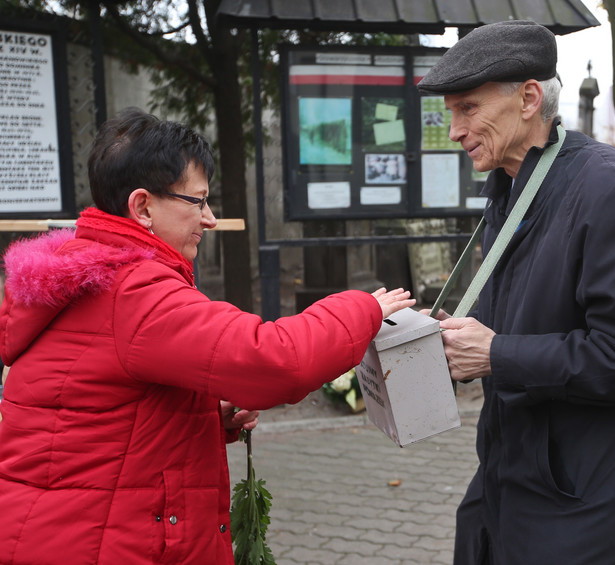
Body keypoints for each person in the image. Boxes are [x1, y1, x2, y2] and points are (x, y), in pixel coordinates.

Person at [0, 108, 415, 564]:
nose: (211, 218)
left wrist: (202, 418)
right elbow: (273, 361)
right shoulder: (133, 291)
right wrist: (364, 309)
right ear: (142, 207)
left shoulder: (89, 275)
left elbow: (98, 416)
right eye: (198, 202)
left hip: (61, 531)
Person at [416, 21, 615, 564]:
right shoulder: (512, 190)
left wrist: (494, 354)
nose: (454, 131)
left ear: (529, 99)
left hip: (586, 511)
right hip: (513, 487)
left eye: (467, 108)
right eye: (450, 113)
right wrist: (437, 337)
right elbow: (512, 323)